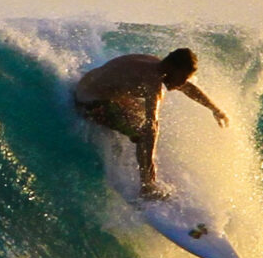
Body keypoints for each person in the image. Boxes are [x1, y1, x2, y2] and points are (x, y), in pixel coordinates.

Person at [73, 47, 227, 200]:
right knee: (143, 132)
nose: (181, 83)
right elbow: (151, 125)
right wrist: (150, 178)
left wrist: (214, 109)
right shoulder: (152, 83)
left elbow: (187, 88)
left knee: (139, 113)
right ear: (173, 68)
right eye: (182, 77)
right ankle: (147, 185)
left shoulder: (154, 62)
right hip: (90, 105)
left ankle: (141, 167)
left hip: (86, 86)